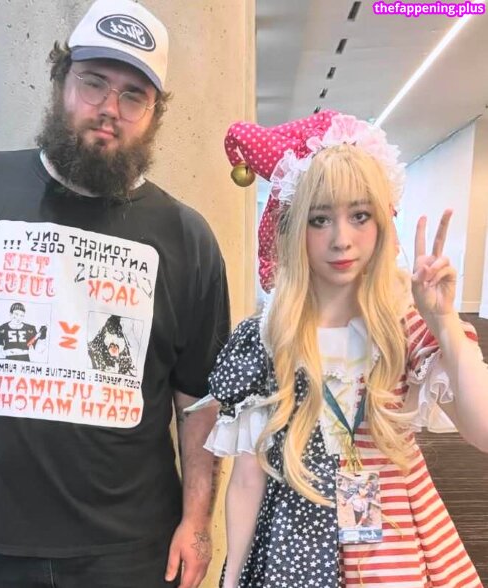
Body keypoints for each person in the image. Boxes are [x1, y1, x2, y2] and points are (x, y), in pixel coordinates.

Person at [0, 0, 229, 586]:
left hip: (131, 555)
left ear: (154, 114)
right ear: (61, 81)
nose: (109, 109)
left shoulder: (187, 238)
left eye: (133, 96)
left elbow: (199, 401)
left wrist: (198, 522)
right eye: (93, 82)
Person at [198, 111, 488, 587]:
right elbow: (248, 475)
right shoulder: (266, 337)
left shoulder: (401, 325)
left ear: (382, 221)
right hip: (294, 551)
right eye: (320, 219)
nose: (341, 240)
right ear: (294, 227)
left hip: (396, 547)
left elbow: (482, 431)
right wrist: (231, 580)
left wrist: (445, 324)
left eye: (359, 215)